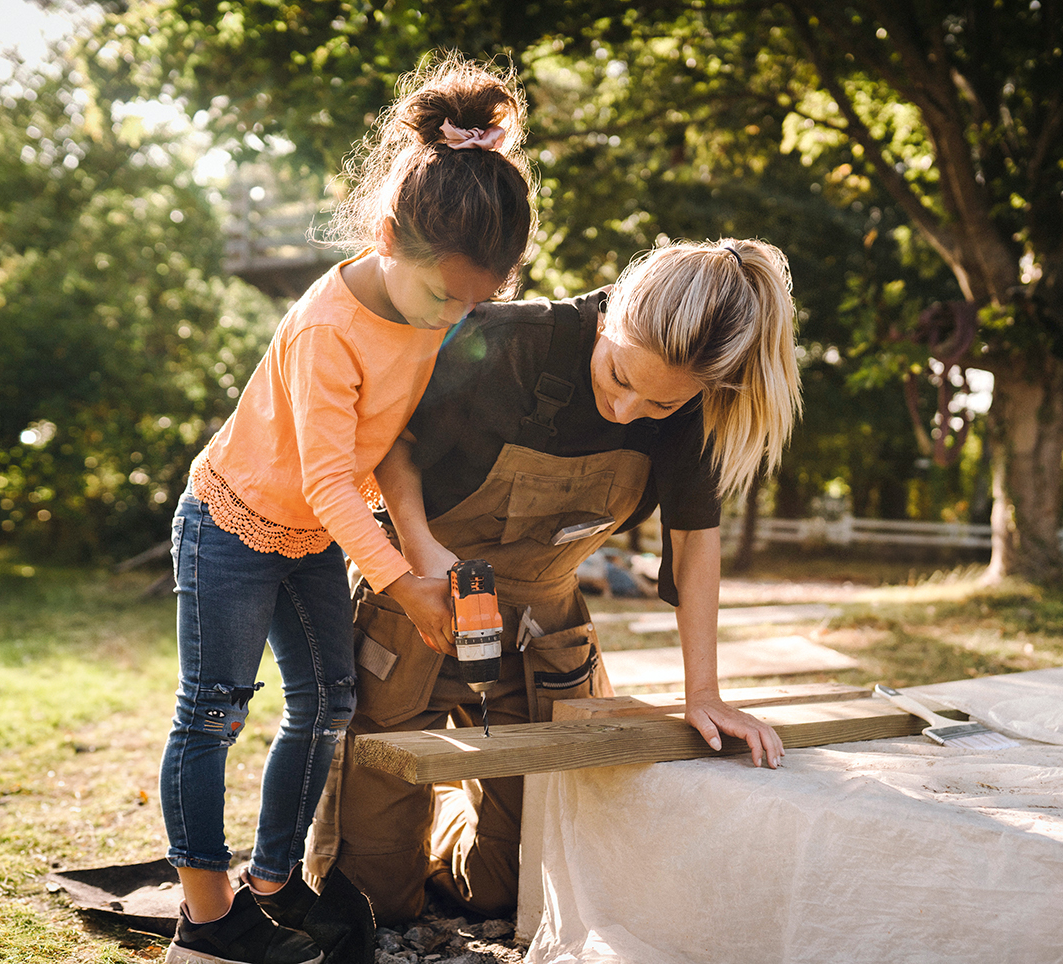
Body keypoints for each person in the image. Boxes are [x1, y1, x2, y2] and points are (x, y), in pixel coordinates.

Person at [305, 238, 802, 925]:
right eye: (620, 377)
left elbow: (694, 545)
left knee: (517, 887)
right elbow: (398, 444)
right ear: (611, 318)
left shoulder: (692, 406)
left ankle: (449, 817)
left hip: (545, 631)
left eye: (658, 406)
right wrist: (420, 555)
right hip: (418, 604)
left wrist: (705, 692)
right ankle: (398, 834)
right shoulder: (509, 342)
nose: (629, 411)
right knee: (369, 900)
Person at [159, 54, 534, 964]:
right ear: (387, 236)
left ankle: (275, 884)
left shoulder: (431, 315)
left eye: (479, 299)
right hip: (232, 525)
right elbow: (330, 481)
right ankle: (205, 925)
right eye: (448, 295)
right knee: (214, 709)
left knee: (329, 702)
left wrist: (420, 544)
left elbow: (392, 449)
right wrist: (405, 587)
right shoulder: (330, 328)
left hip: (315, 536)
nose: (458, 317)